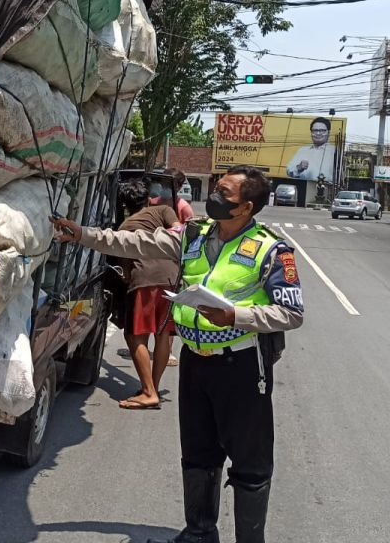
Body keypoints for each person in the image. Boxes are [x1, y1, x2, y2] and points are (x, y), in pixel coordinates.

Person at [53, 165, 303, 543]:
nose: (214, 197)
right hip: (195, 363)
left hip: (242, 366)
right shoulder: (195, 234)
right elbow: (136, 244)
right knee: (198, 454)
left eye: (225, 194)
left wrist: (235, 314)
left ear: (246, 208)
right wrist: (84, 235)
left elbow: (291, 312)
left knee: (250, 465)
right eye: (215, 188)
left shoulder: (271, 249)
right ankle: (200, 533)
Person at [113, 179, 181, 410]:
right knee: (163, 335)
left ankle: (148, 391)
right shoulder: (164, 210)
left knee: (135, 336)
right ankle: (154, 386)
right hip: (172, 277)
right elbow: (178, 230)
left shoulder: (124, 228)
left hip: (145, 281)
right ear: (149, 199)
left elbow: (124, 271)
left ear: (124, 205)